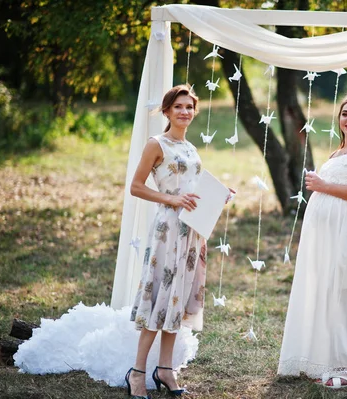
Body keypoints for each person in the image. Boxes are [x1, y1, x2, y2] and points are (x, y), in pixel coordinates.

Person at [277, 93, 347, 389]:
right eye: (345, 113)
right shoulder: (336, 154)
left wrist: (323, 186)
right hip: (330, 235)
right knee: (329, 295)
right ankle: (325, 359)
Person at [125, 84, 208, 398]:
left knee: (178, 300)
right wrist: (171, 201)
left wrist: (217, 197)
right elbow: (136, 186)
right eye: (178, 107)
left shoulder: (191, 148)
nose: (184, 112)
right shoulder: (156, 144)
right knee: (160, 297)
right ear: (167, 111)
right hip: (167, 231)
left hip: (191, 232)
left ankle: (165, 370)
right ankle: (137, 372)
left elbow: (193, 189)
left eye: (189, 107)